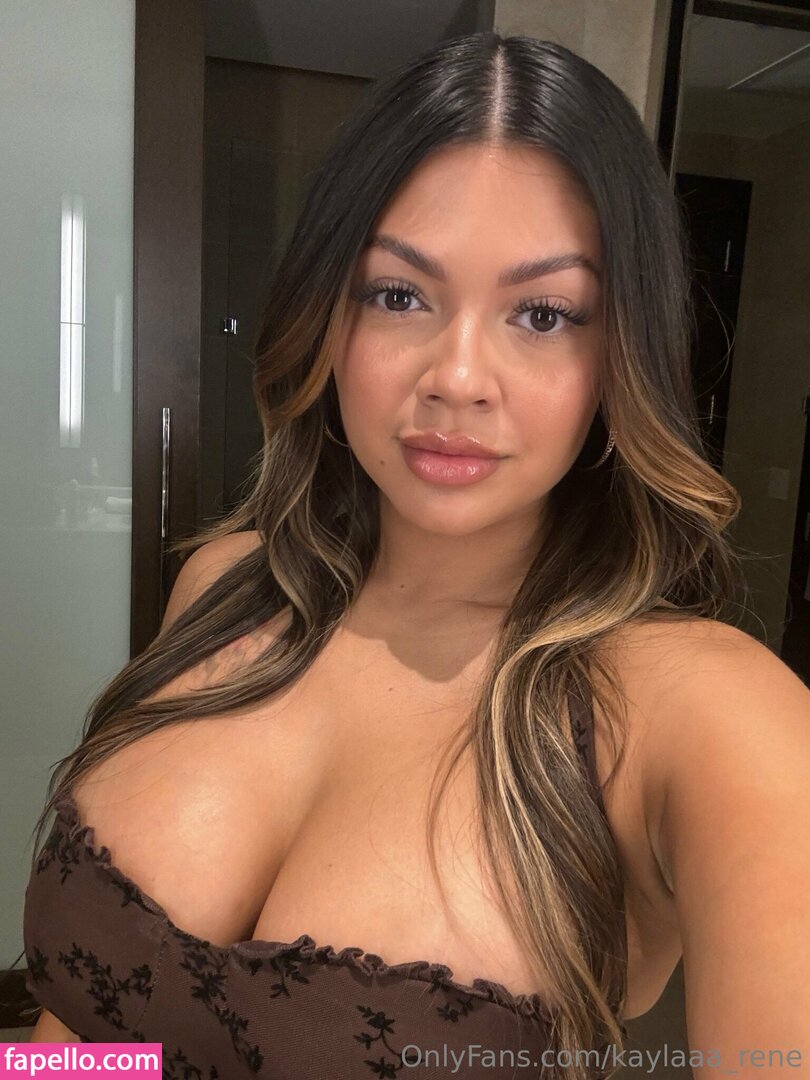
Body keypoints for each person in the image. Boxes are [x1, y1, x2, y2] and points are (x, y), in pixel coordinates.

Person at [22, 30, 810, 1080]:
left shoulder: (704, 718)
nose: (458, 377)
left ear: (621, 356)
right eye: (399, 294)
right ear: (327, 315)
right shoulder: (227, 586)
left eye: (543, 314)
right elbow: (98, 1036)